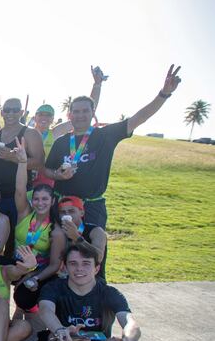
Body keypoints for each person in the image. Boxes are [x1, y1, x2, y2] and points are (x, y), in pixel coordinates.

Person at [44, 65, 182, 228]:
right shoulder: (61, 141)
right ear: (69, 115)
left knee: (90, 250)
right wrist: (58, 175)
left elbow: (139, 118)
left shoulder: (105, 135)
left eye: (85, 111)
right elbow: (47, 170)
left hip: (91, 206)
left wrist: (164, 94)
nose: (80, 115)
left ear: (92, 112)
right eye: (76, 111)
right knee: (57, 248)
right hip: (63, 204)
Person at [12, 141, 66, 315]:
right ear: (31, 200)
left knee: (24, 297)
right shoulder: (25, 213)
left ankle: (29, 310)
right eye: (36, 199)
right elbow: (20, 189)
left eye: (45, 199)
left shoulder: (56, 231)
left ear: (52, 202)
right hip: (16, 265)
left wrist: (33, 277)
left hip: (36, 271)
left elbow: (55, 265)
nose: (40, 203)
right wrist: (22, 162)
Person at [32, 66, 105, 187]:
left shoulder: (55, 132)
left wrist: (97, 85)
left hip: (48, 176)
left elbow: (88, 110)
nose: (44, 118)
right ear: (35, 117)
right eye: (41, 115)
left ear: (52, 119)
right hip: (28, 175)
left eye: (48, 115)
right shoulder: (26, 133)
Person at [0, 98, 45, 224]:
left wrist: (13, 158)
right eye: (7, 110)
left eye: (15, 110)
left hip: (20, 196)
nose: (10, 113)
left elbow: (39, 163)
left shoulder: (30, 133)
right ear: (2, 112)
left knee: (16, 238)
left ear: (21, 112)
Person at [57, 195, 107, 277]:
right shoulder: (58, 231)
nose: (67, 215)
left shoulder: (96, 231)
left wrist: (77, 238)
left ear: (82, 212)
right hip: (64, 279)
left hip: (92, 280)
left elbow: (98, 257)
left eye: (71, 211)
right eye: (63, 212)